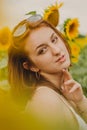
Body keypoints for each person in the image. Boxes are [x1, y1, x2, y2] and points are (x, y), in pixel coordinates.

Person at [8, 14, 87, 130]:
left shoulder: (62, 92)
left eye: (54, 40)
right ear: (31, 66)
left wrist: (80, 101)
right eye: (42, 50)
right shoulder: (45, 101)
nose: (56, 50)